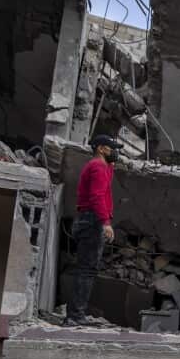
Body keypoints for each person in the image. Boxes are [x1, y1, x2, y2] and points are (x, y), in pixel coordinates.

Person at [67, 134, 123, 326]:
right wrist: (106, 222)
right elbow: (97, 196)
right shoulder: (98, 167)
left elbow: (103, 189)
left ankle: (76, 314)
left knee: (87, 269)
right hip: (92, 220)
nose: (114, 151)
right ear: (100, 148)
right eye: (111, 148)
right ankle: (75, 316)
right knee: (86, 270)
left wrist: (111, 166)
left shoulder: (101, 167)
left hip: (88, 219)